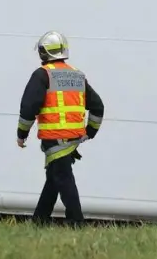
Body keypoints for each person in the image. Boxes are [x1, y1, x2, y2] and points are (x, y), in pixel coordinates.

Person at [15, 30, 104, 226]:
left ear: (43, 52)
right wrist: (90, 132)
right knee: (55, 177)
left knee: (63, 179)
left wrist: (22, 134)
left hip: (54, 137)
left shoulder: (42, 75)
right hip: (73, 138)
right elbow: (98, 106)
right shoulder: (77, 76)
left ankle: (76, 222)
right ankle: (39, 221)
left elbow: (29, 107)